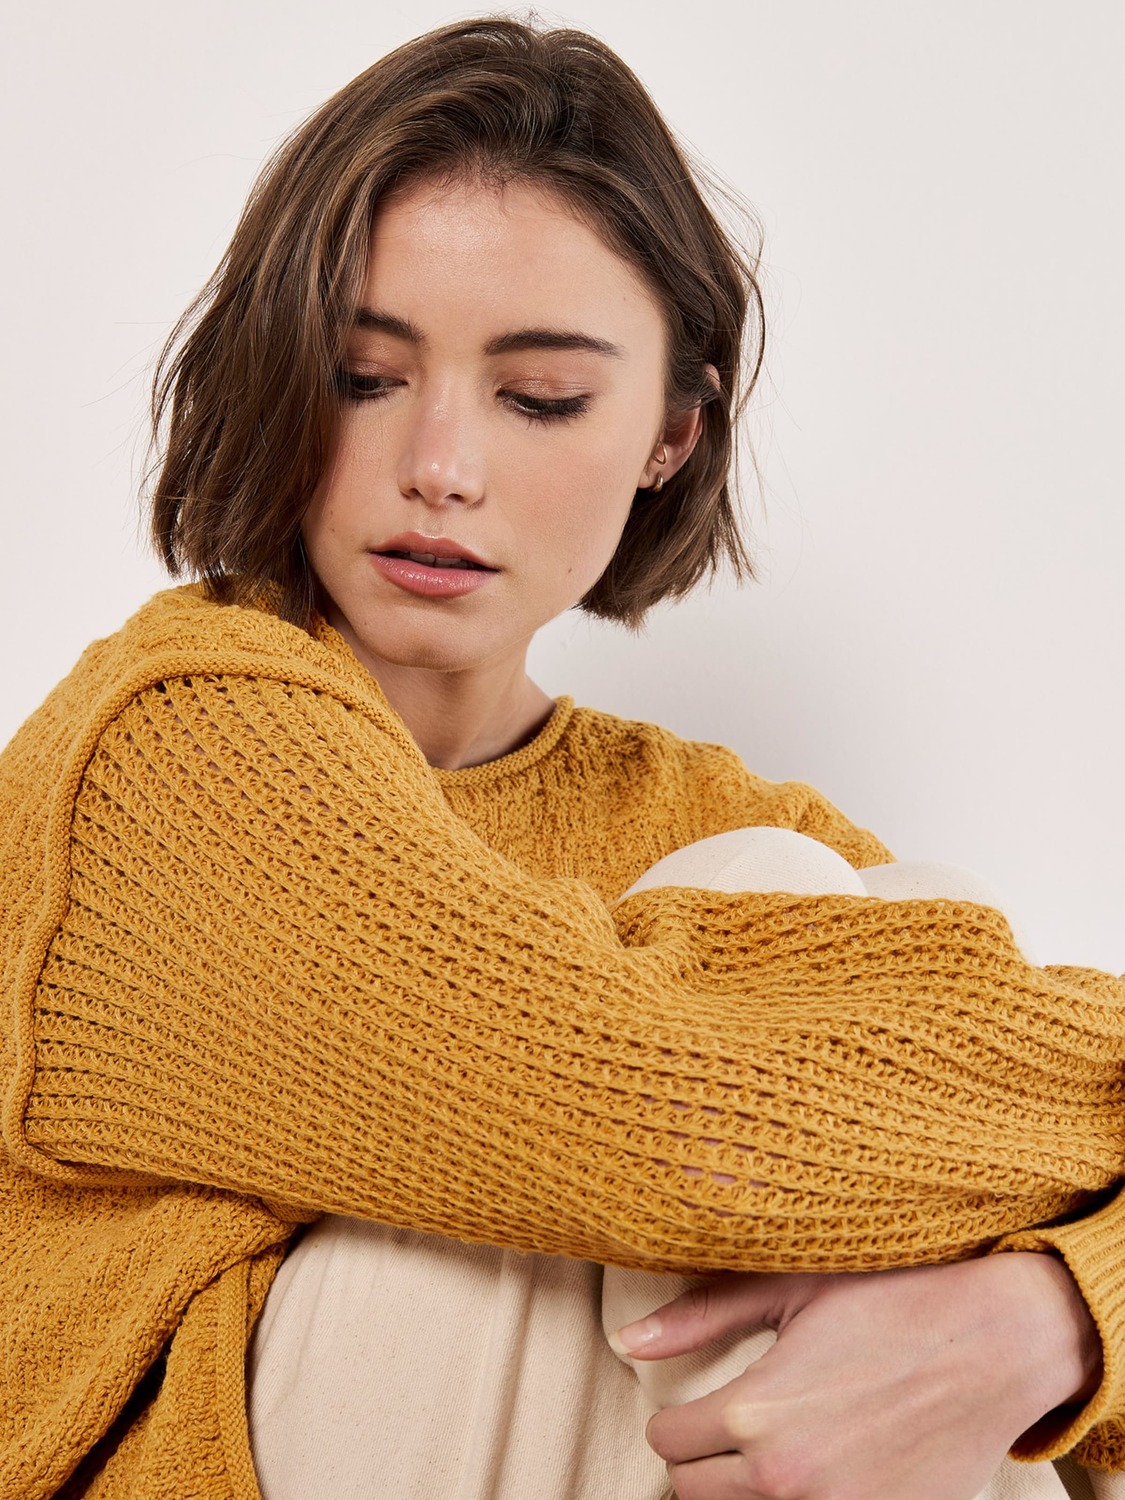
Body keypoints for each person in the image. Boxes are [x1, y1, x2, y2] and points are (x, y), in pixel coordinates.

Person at [0, 16, 1122, 1500]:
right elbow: (644, 1114)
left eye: (539, 398)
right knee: (785, 944)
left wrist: (1056, 1313)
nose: (441, 467)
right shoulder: (177, 748)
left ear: (669, 434)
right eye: (361, 376)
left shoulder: (682, 806)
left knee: (858, 917)